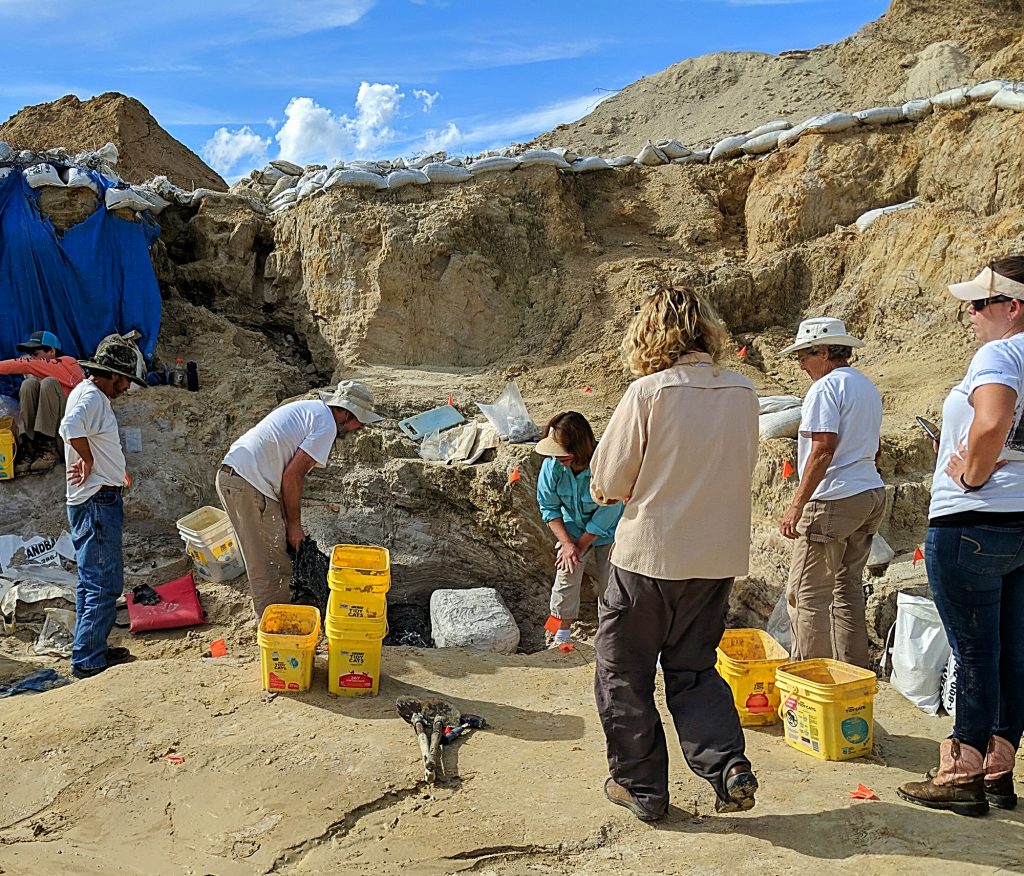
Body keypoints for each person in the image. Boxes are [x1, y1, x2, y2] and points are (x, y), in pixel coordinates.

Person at [588, 285, 759, 820]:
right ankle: (728, 764)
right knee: (694, 670)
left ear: (649, 335)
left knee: (623, 671)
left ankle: (641, 787)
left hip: (649, 558)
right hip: (715, 561)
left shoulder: (649, 392)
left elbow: (609, 481)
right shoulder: (744, 391)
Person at [898, 257, 1024, 816]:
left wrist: (973, 471)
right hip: (1019, 520)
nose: (968, 314)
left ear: (1012, 307)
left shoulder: (999, 353)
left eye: (978, 304)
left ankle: (961, 771)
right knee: (1011, 653)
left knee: (975, 653)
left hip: (972, 520)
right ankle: (999, 768)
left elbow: (994, 422)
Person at [217, 380, 383, 621]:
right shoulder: (326, 426)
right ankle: (277, 630)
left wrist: (288, 521)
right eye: (360, 421)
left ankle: (280, 613)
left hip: (238, 477)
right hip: (248, 484)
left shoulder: (312, 412)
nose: (360, 428)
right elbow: (292, 476)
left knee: (272, 553)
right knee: (269, 564)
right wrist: (294, 526)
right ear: (346, 413)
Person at [777, 317, 885, 668]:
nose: (801, 365)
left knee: (806, 595)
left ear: (823, 351)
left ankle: (811, 680)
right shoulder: (865, 386)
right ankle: (853, 673)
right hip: (869, 493)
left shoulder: (825, 389)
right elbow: (876, 448)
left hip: (834, 498)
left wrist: (796, 506)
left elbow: (823, 449)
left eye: (804, 356)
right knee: (847, 590)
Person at [59, 338, 146, 679]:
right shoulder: (93, 397)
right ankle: (88, 661)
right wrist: (90, 459)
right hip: (96, 502)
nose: (126, 386)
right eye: (123, 379)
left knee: (92, 581)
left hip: (95, 498)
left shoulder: (86, 394)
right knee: (103, 583)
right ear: (108, 374)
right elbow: (71, 429)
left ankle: (90, 649)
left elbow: (83, 433)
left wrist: (110, 466)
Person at [534, 411, 623, 648]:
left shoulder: (606, 464)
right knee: (565, 576)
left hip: (610, 531)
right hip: (572, 526)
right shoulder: (552, 466)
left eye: (563, 453)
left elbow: (609, 511)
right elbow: (549, 508)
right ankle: (558, 633)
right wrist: (567, 545)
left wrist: (578, 547)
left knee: (612, 584)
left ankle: (611, 637)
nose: (558, 458)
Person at [0, 330, 84, 474]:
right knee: (29, 384)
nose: (31, 358)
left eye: (35, 354)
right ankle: (29, 447)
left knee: (49, 383)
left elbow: (24, 365)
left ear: (51, 351)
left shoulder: (68, 363)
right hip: (39, 451)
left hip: (69, 440)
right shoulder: (38, 378)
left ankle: (49, 448)